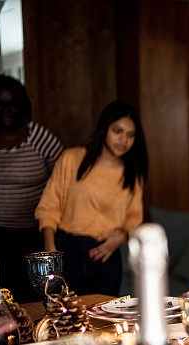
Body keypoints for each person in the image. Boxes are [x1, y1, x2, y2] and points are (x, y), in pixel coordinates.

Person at [35, 101, 147, 296]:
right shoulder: (71, 159)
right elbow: (49, 206)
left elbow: (135, 217)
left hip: (107, 255)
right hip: (67, 250)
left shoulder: (132, 173)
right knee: (63, 319)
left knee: (104, 321)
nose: (123, 140)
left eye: (130, 135)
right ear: (104, 129)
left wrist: (122, 236)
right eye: (118, 131)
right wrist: (50, 249)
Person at [0, 75, 63, 301]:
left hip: (33, 237)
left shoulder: (39, 137)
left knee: (32, 299)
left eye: (12, 103)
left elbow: (64, 180)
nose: (6, 110)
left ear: (22, 105)